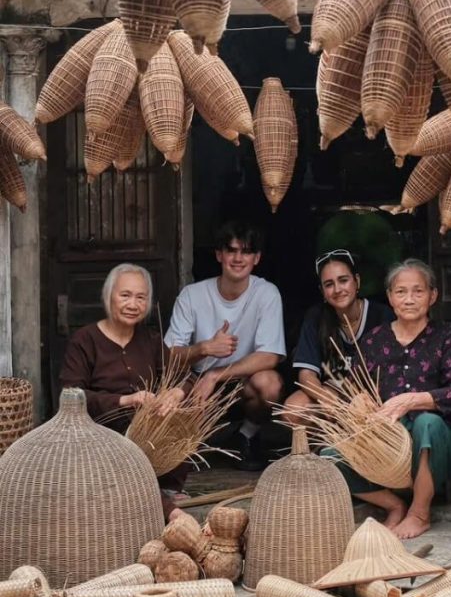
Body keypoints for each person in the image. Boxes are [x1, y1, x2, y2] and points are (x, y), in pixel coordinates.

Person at [335, 259, 451, 540]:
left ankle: (420, 513)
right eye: (401, 292)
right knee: (331, 457)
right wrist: (360, 402)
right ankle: (394, 505)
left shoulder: (445, 337)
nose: (409, 299)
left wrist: (413, 400)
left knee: (428, 424)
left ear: (432, 296)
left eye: (418, 292)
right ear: (390, 297)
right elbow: (354, 388)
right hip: (388, 440)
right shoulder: (374, 340)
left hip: (436, 441)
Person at [60, 263, 189, 521]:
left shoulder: (151, 340)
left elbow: (184, 377)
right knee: (124, 470)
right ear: (109, 297)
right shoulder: (85, 340)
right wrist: (124, 400)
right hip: (102, 433)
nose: (133, 304)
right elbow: (70, 394)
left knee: (182, 414)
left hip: (145, 431)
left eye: (141, 297)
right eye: (125, 295)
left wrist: (176, 392)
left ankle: (166, 485)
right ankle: (167, 508)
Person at [165, 220, 286, 470]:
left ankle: (247, 434)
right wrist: (204, 348)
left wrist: (215, 375)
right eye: (231, 250)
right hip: (196, 383)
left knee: (270, 384)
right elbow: (170, 356)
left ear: (257, 258)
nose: (238, 258)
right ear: (219, 255)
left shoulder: (267, 293)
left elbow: (270, 356)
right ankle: (197, 445)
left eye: (246, 251)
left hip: (241, 383)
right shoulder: (192, 295)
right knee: (185, 454)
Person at [283, 249, 394, 425]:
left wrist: (361, 402)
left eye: (343, 280)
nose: (337, 289)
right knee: (293, 410)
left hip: (372, 396)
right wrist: (327, 400)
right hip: (333, 393)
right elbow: (306, 375)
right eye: (329, 284)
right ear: (322, 291)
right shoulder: (316, 316)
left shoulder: (381, 316)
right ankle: (322, 450)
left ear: (357, 281)